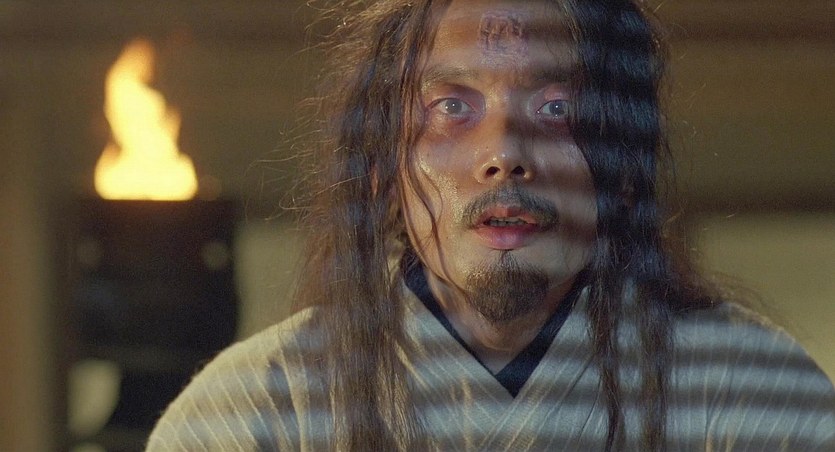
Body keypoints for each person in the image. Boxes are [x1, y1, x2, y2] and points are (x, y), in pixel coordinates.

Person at [147, 0, 835, 450]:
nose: (504, 153)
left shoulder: (749, 391)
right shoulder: (253, 411)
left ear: (622, 169)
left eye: (557, 109)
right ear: (381, 164)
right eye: (452, 108)